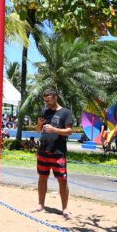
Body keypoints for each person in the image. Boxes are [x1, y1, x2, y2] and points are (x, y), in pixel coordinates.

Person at [33, 88, 73, 218]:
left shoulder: (65, 112)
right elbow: (38, 130)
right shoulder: (44, 111)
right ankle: (40, 205)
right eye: (46, 101)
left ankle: (65, 208)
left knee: (62, 180)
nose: (47, 103)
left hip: (58, 152)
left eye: (49, 101)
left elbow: (69, 131)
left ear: (56, 97)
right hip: (43, 150)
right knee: (42, 177)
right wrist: (39, 124)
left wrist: (55, 129)